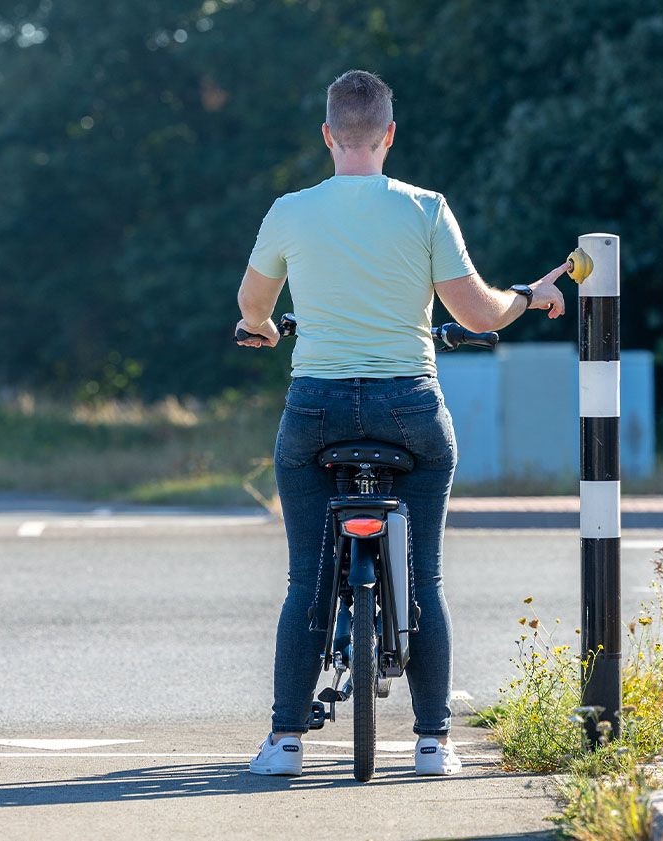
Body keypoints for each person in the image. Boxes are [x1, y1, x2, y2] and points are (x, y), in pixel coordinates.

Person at [235, 69, 567, 777]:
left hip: (316, 408)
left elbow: (252, 306)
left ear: (328, 135)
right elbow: (475, 315)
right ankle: (432, 743)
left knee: (304, 580)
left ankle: (286, 741)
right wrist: (529, 297)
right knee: (424, 582)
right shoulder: (425, 208)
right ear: (388, 134)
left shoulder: (290, 210)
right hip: (408, 407)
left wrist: (261, 328)